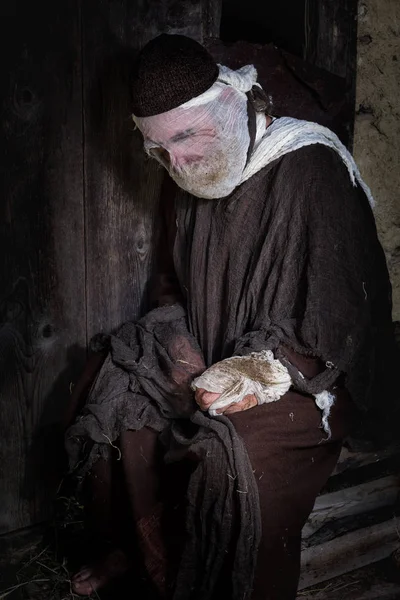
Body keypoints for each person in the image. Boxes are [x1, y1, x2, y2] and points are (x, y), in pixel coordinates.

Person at [66, 34, 397, 600]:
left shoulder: (311, 167)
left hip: (302, 373)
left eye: (187, 137)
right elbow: (171, 283)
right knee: (114, 380)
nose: (177, 161)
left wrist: (263, 371)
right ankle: (145, 558)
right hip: (212, 351)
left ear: (233, 102)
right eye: (159, 148)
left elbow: (346, 315)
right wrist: (177, 343)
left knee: (232, 452)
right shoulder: (186, 176)